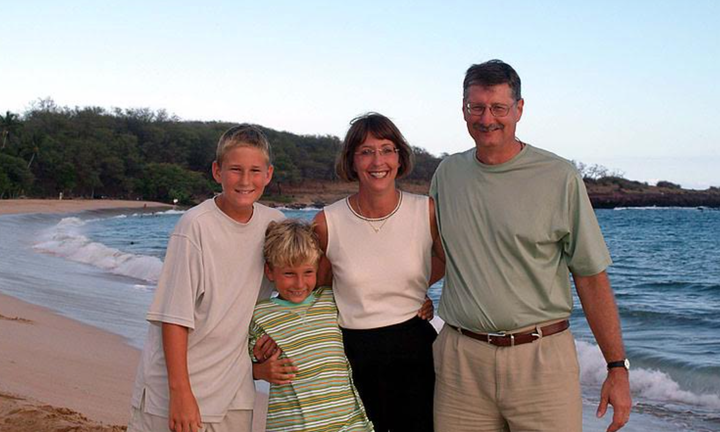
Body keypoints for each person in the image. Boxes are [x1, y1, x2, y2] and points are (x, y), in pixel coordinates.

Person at [430, 59, 632, 432]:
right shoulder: (448, 174)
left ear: (519, 109)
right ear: (463, 109)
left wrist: (616, 368)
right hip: (461, 362)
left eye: (499, 108)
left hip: (541, 361)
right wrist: (404, 296)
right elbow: (439, 254)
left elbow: (589, 276)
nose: (487, 118)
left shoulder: (559, 177)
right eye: (477, 107)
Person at [128, 124, 283, 432]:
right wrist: (181, 394)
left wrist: (271, 340)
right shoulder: (195, 226)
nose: (245, 180)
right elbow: (173, 318)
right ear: (217, 171)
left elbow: (299, 283)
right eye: (235, 170)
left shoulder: (274, 225)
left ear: (268, 174)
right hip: (176, 390)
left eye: (255, 171)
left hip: (235, 391)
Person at [312, 113, 445, 432]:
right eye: (366, 151)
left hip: (416, 349)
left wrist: (415, 289)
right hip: (351, 354)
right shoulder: (327, 222)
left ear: (400, 158)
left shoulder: (425, 210)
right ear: (352, 161)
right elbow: (315, 288)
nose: (377, 160)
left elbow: (446, 260)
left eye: (386, 149)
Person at [249, 219, 374, 432]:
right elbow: (237, 365)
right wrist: (257, 370)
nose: (299, 284)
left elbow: (372, 302)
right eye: (289, 274)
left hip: (349, 424)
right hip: (292, 426)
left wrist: (420, 302)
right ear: (270, 272)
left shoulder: (330, 299)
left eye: (308, 273)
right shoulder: (260, 315)